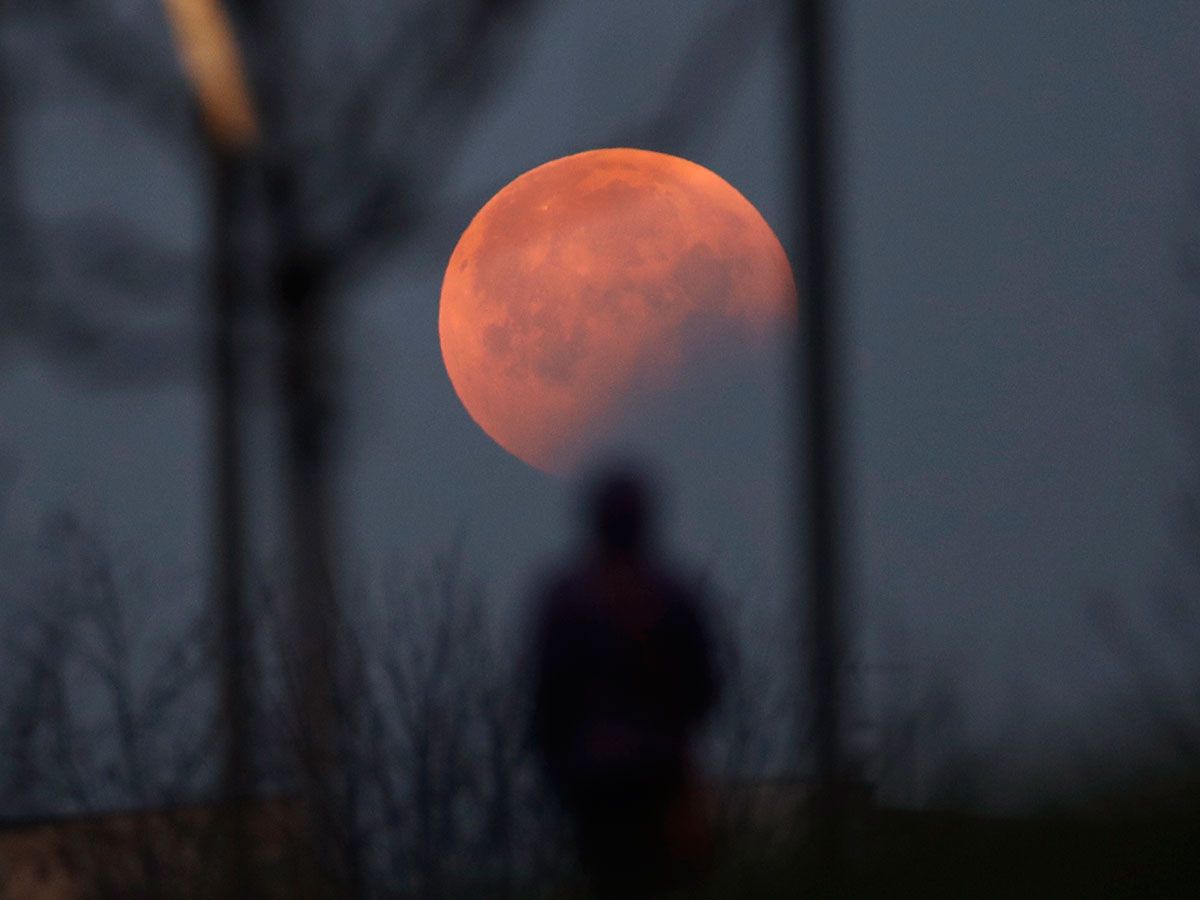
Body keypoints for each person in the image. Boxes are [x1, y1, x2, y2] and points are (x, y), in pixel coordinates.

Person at [529, 466, 719, 893]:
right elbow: (704, 691)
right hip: (657, 776)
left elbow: (547, 696)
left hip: (594, 780)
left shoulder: (568, 599)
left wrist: (558, 765)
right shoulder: (672, 596)